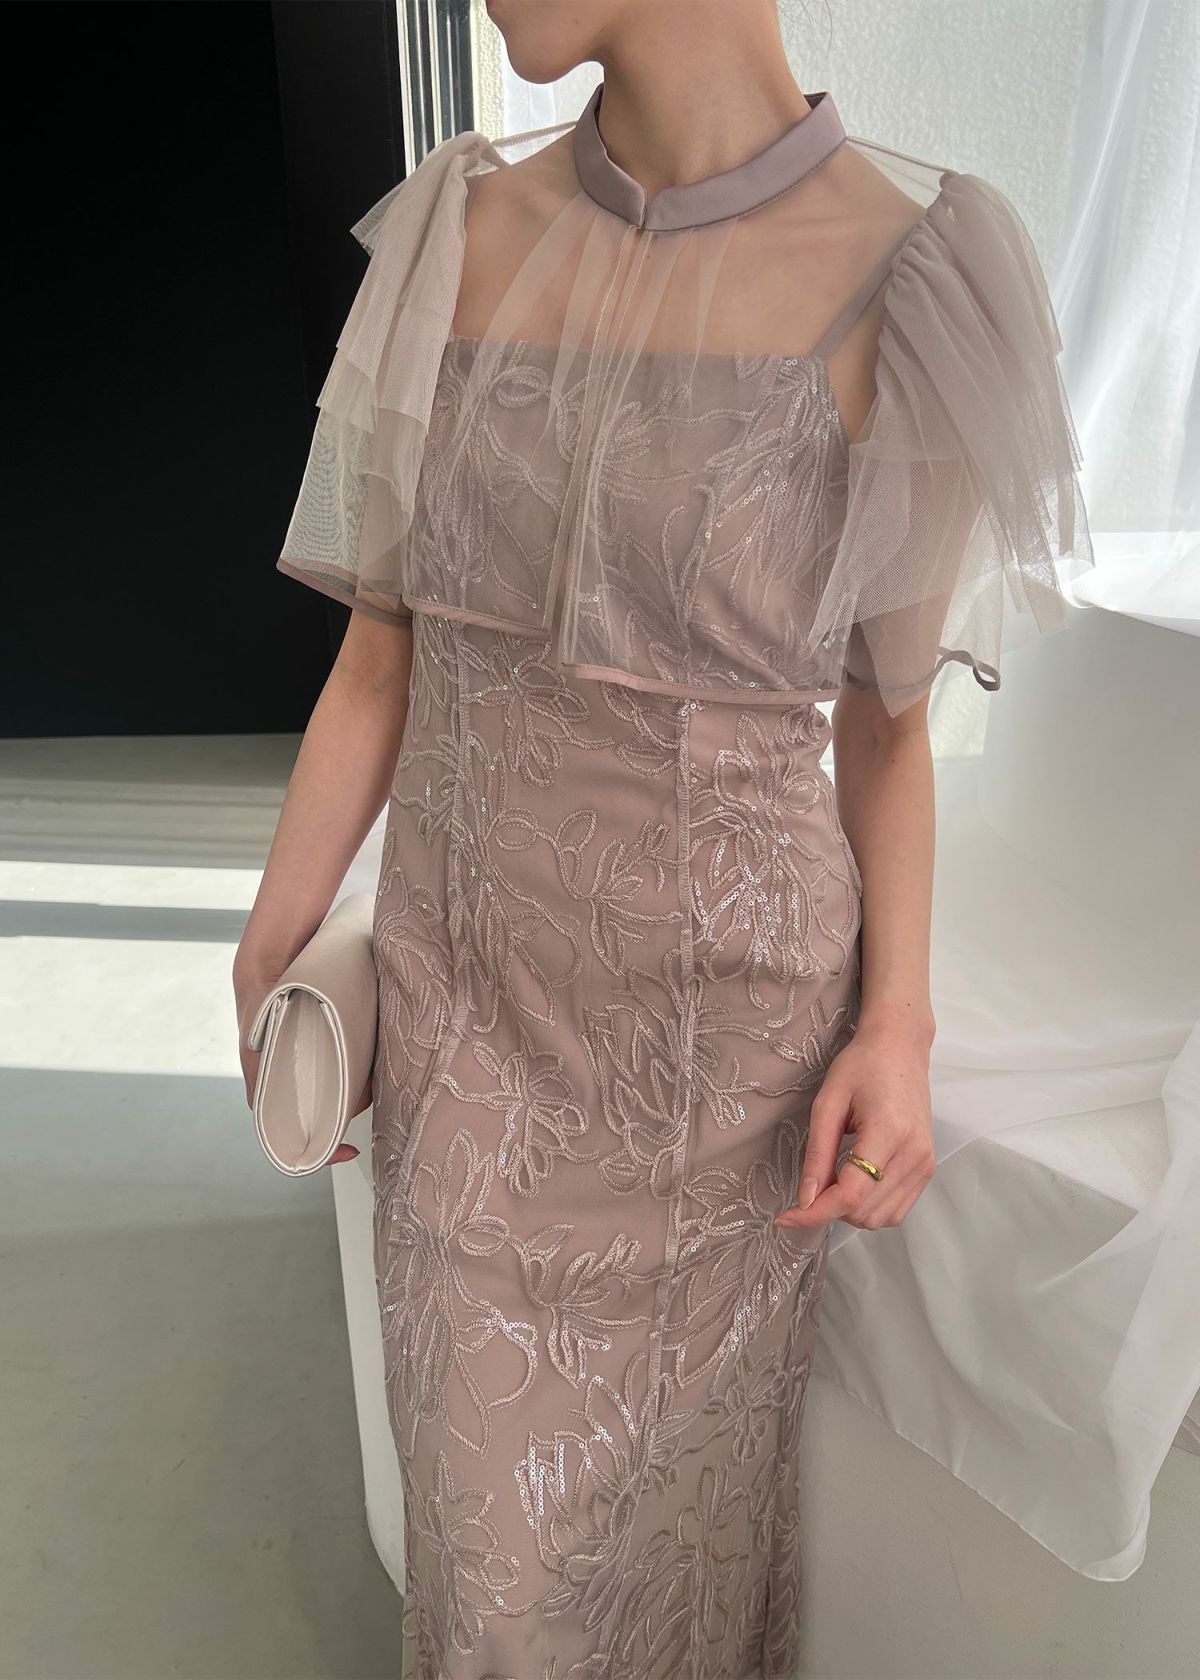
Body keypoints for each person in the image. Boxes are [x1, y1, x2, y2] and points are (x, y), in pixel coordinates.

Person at [234, 1, 1093, 1674]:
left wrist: (899, 1025)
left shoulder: (920, 273)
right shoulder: (453, 226)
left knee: (682, 1541)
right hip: (466, 1015)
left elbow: (888, 726)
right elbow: (380, 655)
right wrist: (278, 936)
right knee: (485, 1564)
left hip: (725, 1067)